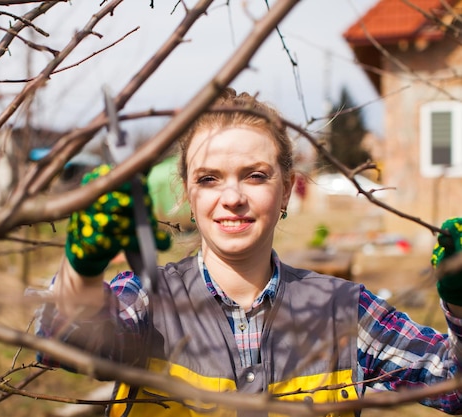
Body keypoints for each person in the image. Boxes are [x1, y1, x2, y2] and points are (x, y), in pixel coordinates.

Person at [35, 88, 462, 417]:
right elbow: (61, 338)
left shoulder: (345, 310)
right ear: (186, 192)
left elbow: (453, 383)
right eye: (209, 179)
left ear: (286, 189)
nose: (233, 197)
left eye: (255, 176)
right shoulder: (146, 297)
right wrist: (81, 268)